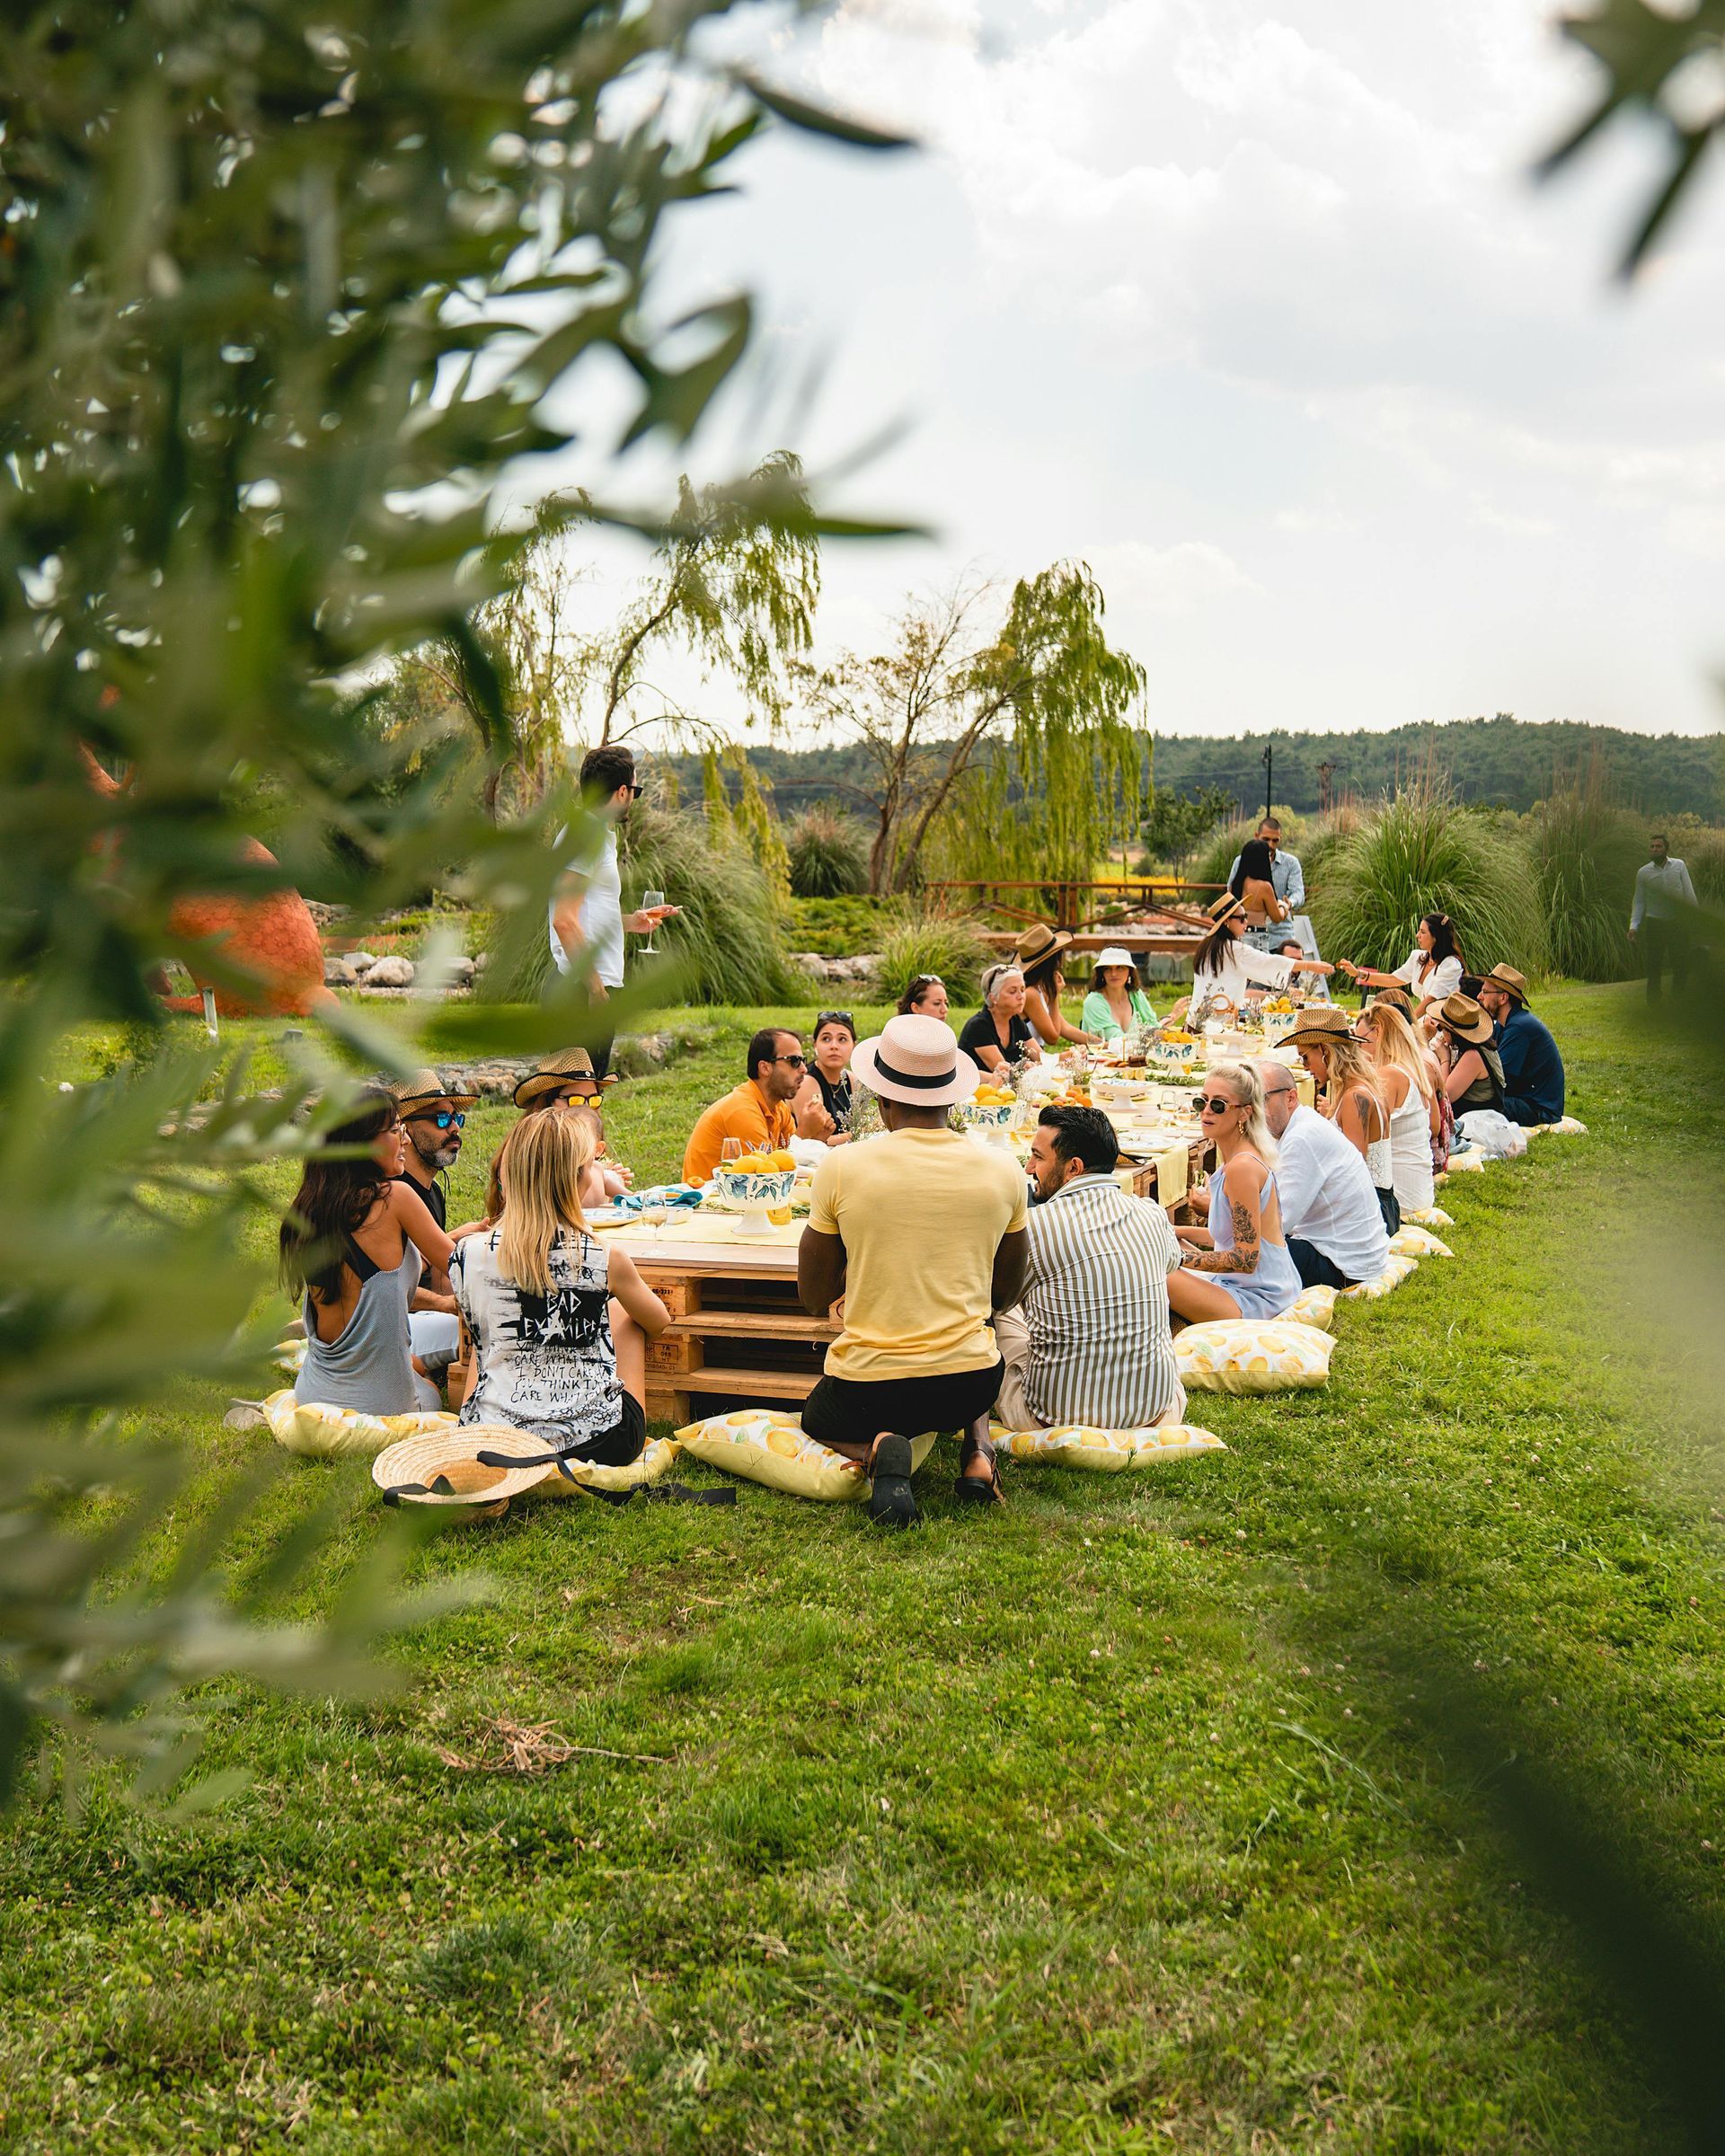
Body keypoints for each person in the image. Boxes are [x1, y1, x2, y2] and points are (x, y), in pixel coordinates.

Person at [797, 1015, 1029, 1527]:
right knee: (973, 1325)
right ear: (952, 1097)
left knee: (815, 1417)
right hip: (969, 1387)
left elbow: (812, 1296)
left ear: (880, 1100)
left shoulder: (841, 1167)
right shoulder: (1005, 1169)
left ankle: (879, 1447)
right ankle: (977, 1453)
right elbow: (1005, 1293)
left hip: (868, 1391)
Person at [451, 1110, 670, 1460]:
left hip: (498, 1435)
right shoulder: (604, 1256)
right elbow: (658, 1322)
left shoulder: (465, 1253)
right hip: (600, 1441)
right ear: (579, 1179)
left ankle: (474, 1425)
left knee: (488, 1327)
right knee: (622, 1313)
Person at [994, 1106, 1185, 1431]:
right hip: (1154, 1410)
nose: (1028, 1168)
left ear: (1073, 1168)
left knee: (1000, 1314)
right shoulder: (1151, 1213)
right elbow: (1170, 1263)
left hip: (1052, 1417)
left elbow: (995, 1299)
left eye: (1037, 1157)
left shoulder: (1036, 1226)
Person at [279, 1089, 457, 1413]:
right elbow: (461, 1266)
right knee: (430, 1388)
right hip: (382, 1405)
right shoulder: (395, 1198)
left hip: (312, 1394)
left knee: (416, 1365)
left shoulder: (311, 1209)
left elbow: (378, 1287)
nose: (404, 1141)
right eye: (395, 1130)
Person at [547, 744, 678, 1077]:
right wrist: (595, 988)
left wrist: (631, 922)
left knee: (574, 1104)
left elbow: (581, 914)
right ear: (622, 791)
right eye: (635, 789)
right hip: (579, 989)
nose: (633, 797)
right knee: (574, 1105)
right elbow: (563, 920)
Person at [1166, 1061, 1302, 1323]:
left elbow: (1245, 1258)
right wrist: (1177, 1232)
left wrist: (1177, 1258)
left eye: (1218, 1105)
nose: (1206, 1111)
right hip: (1250, 1286)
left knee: (1148, 1269)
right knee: (1162, 1243)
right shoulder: (1239, 1156)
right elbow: (1231, 1236)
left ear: (1244, 1113)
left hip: (1260, 1299)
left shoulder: (1241, 1168)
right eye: (1201, 1101)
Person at [1252, 1060, 1392, 1291]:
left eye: (1262, 1099)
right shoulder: (1302, 1124)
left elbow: (1278, 1224)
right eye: (1251, 1102)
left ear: (1291, 1098)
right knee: (1245, 1253)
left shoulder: (1302, 1137)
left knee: (1250, 1257)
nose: (1255, 1111)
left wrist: (1223, 1209)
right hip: (1353, 1257)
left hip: (1343, 1267)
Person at [391, 1067, 479, 1387]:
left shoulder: (432, 1191)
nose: (454, 1128)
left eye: (456, 1119)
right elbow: (382, 1288)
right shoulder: (395, 1192)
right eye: (441, 1120)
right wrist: (444, 1305)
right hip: (396, 1327)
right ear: (406, 1130)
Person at [1281, 1006, 1398, 1233]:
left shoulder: (1355, 1097)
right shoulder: (1358, 1087)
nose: (1305, 1068)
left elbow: (1352, 1172)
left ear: (1325, 1051)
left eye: (1305, 1057)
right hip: (1379, 1204)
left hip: (1371, 1212)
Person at [683, 1028, 804, 1185]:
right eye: (794, 1061)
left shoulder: (779, 1108)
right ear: (765, 1068)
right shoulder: (743, 1111)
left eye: (803, 1061)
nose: (804, 1069)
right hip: (707, 1202)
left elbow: (791, 1162)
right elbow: (768, 1180)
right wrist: (806, 1133)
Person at [1354, 1000, 1438, 1215]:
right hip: (1417, 1191)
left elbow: (1365, 1133)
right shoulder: (1410, 1067)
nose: (1358, 1049)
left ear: (1377, 1032)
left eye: (1361, 1041)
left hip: (1400, 1199)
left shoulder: (1390, 1074)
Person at [1187, 893, 1332, 1016]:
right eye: (1242, 918)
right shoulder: (1234, 950)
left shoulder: (1207, 947)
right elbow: (1266, 962)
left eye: (1246, 916)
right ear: (1227, 922)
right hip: (1220, 1021)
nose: (1246, 922)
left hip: (1199, 1016)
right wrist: (1310, 965)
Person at [1474, 965, 1566, 1127]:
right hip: (1523, 1098)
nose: (1479, 996)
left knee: (1475, 1106)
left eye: (1485, 992)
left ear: (1503, 998)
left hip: (1539, 1110)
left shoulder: (1519, 1027)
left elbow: (1500, 1081)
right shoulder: (1503, 1025)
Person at [1339, 913, 1464, 1020]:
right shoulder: (1419, 958)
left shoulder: (1451, 966)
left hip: (1442, 1026)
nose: (1417, 935)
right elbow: (1392, 979)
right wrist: (1357, 973)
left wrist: (1408, 1024)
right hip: (1423, 1019)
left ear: (1436, 937)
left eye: (1423, 932)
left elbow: (1431, 1000)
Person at [1629, 832, 1697, 1004]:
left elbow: (1689, 895)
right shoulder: (1643, 873)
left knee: (1680, 964)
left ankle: (1679, 999)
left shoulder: (1679, 866)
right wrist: (1633, 926)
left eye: (1658, 846)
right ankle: (1653, 1001)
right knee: (1653, 965)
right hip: (1655, 924)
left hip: (1677, 924)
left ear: (1666, 848)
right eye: (1652, 847)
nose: (1655, 849)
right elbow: (1638, 902)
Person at [1015, 924, 1099, 1047]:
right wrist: (1054, 995)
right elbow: (1053, 1038)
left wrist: (1106, 1046)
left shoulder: (1039, 989)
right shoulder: (1030, 994)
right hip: (1025, 1062)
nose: (1062, 964)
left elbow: (1065, 1028)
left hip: (1036, 1060)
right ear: (1052, 961)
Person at [958, 964, 1043, 1073]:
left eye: (1022, 990)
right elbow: (1005, 1072)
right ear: (993, 997)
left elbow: (1041, 1058)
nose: (1021, 996)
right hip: (978, 1088)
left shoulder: (1015, 1021)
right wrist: (1028, 1068)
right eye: (1012, 991)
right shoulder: (978, 1027)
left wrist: (1066, 1058)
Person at [1432, 993, 1505, 1114]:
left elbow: (1445, 1097)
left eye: (1441, 1028)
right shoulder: (1479, 1047)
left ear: (1453, 1032)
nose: (1440, 1032)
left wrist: (1445, 1059)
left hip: (1478, 1123)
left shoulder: (1473, 1056)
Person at [794, 1010, 857, 1141]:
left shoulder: (851, 1080)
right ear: (815, 1045)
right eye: (826, 1039)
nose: (834, 1046)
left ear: (853, 1046)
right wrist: (860, 1135)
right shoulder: (806, 1082)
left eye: (842, 1039)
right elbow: (813, 1139)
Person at [1228, 817, 1305, 915]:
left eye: (1275, 840)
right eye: (1266, 839)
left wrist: (1289, 903)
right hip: (1249, 925)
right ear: (1256, 836)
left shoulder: (1291, 863)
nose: (1271, 845)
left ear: (1280, 838)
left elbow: (1298, 892)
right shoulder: (1240, 861)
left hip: (1280, 927)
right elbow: (1231, 893)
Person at [1080, 948, 1158, 1042]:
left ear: (1129, 971)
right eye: (1108, 969)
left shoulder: (1136, 995)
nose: (1113, 973)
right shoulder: (1093, 1002)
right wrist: (1150, 1036)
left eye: (1120, 967)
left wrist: (1171, 1017)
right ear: (1102, 973)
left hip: (1135, 1056)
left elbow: (1154, 1027)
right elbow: (1116, 1040)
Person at [1229, 835, 1290, 929]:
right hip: (1256, 938)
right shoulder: (1265, 887)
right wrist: (1284, 906)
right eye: (1268, 855)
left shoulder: (1236, 884)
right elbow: (1277, 917)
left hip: (1238, 935)